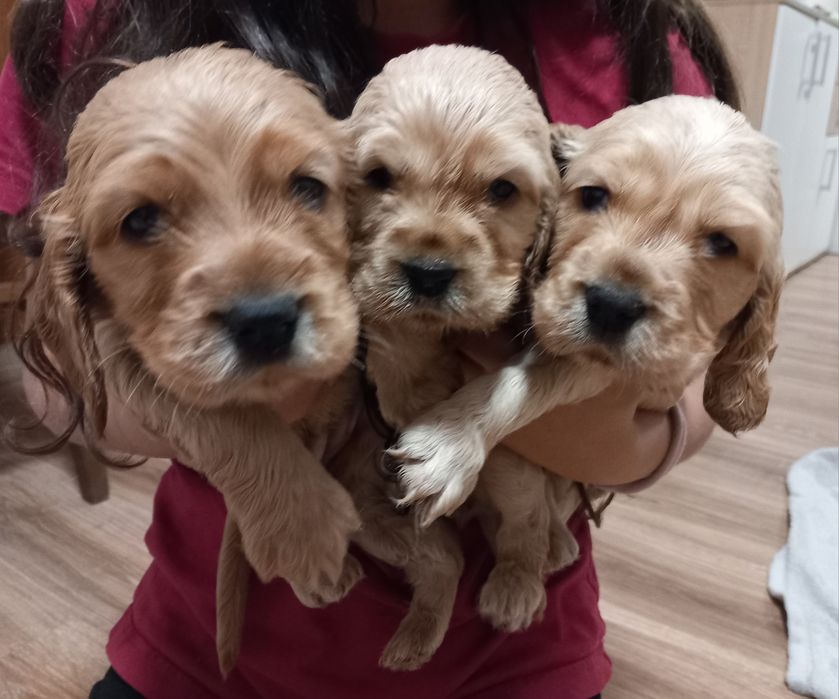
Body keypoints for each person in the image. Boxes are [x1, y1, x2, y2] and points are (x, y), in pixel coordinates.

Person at [0, 1, 734, 696]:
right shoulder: (95, 17)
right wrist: (255, 448)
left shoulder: (634, 41)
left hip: (516, 645)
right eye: (379, 179)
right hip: (210, 632)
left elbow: (696, 375)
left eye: (304, 188)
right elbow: (57, 363)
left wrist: (573, 428)